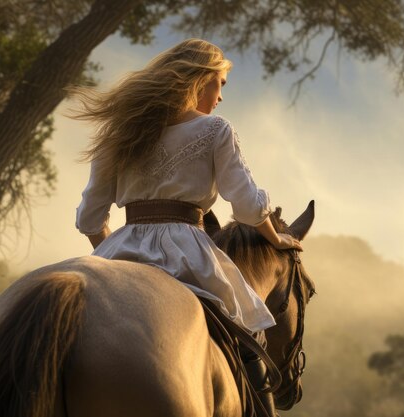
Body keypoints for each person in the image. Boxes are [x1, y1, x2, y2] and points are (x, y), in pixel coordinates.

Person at [71, 38, 301, 415]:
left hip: (120, 248)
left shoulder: (121, 133)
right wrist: (277, 238)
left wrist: (110, 256)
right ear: (200, 79)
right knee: (246, 335)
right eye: (220, 84)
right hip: (187, 249)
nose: (221, 97)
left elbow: (89, 218)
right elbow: (245, 205)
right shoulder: (214, 130)